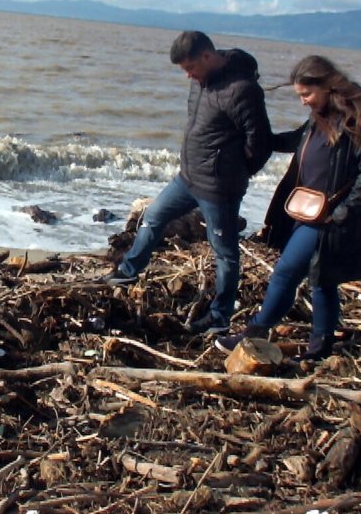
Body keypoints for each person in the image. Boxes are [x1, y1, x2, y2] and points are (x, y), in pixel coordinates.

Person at [214, 55, 361, 361]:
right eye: (299, 95)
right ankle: (320, 347)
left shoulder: (359, 117)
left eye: (306, 94)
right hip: (310, 209)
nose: (303, 101)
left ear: (327, 85)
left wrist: (342, 213)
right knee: (322, 279)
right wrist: (257, 139)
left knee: (286, 272)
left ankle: (254, 332)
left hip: (331, 216)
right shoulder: (319, 115)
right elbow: (298, 140)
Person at [102, 30, 273, 335]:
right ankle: (128, 272)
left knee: (225, 253)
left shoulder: (242, 90)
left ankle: (220, 317)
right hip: (188, 178)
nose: (187, 75)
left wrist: (235, 172)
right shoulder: (200, 81)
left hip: (219, 189)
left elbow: (260, 144)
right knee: (153, 216)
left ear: (207, 56)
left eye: (190, 68)